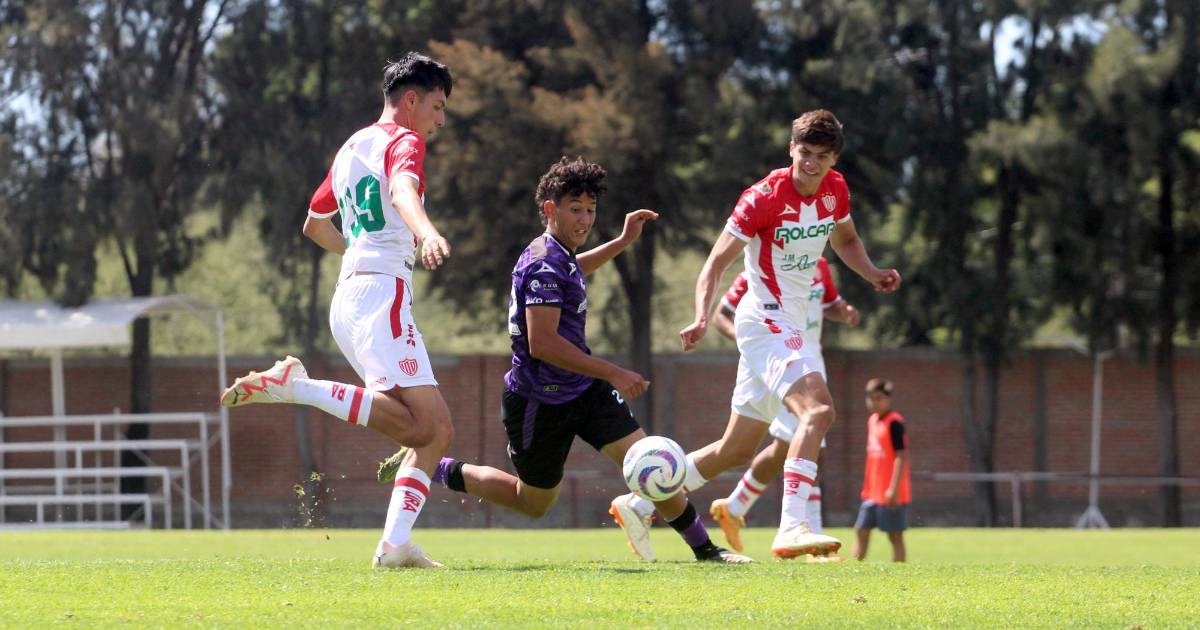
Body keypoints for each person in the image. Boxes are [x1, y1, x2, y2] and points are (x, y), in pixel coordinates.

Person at [378, 157, 751, 564]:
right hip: (537, 400)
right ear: (550, 209)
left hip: (583, 390)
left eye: (591, 210)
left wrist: (622, 241)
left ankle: (705, 550)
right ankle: (432, 465)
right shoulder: (543, 262)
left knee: (649, 461)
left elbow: (574, 270)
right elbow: (543, 344)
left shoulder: (559, 255)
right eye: (575, 209)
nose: (585, 219)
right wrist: (614, 372)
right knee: (532, 501)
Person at [612, 109, 900, 560]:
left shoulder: (836, 190)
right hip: (765, 319)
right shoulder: (762, 197)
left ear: (834, 159)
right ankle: (793, 526)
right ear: (792, 149)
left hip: (788, 324)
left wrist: (872, 272)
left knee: (736, 449)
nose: (811, 163)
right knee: (818, 410)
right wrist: (701, 317)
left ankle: (639, 502)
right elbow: (716, 263)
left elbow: (845, 241)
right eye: (805, 153)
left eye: (822, 156)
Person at [220, 52, 456, 569]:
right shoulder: (403, 140)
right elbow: (403, 189)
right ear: (411, 100)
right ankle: (295, 386)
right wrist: (426, 232)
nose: (440, 120)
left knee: (434, 430)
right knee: (424, 430)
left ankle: (395, 545)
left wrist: (363, 250)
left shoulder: (352, 147)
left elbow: (314, 223)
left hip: (350, 295)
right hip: (381, 295)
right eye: (438, 106)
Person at [707, 257, 859, 558]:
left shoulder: (819, 264)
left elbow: (829, 304)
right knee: (813, 447)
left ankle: (734, 506)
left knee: (782, 448)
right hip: (783, 360)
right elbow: (721, 315)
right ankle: (811, 542)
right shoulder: (760, 268)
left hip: (812, 360)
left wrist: (844, 312)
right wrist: (752, 343)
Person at [852, 378, 910, 562]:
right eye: (870, 398)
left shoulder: (895, 423)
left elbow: (901, 456)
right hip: (872, 492)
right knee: (861, 530)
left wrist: (893, 488)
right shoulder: (872, 421)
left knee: (894, 535)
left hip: (890, 491)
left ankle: (899, 571)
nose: (874, 402)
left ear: (888, 399)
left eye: (878, 398)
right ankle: (854, 568)